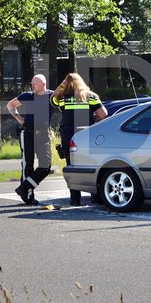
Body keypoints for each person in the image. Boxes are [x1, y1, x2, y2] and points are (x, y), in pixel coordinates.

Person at [51, 72, 107, 206]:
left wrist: (61, 85)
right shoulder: (91, 96)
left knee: (71, 165)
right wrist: (93, 117)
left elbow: (52, 100)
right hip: (86, 134)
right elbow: (104, 114)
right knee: (91, 163)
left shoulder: (62, 98)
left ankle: (75, 199)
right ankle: (95, 197)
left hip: (69, 134)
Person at [6, 74, 54, 206]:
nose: (32, 86)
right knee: (28, 165)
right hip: (28, 133)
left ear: (43, 84)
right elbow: (10, 105)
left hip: (44, 135)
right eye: (32, 83)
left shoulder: (52, 96)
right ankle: (28, 196)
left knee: (45, 166)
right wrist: (19, 118)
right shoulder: (27, 95)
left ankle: (24, 188)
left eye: (35, 84)